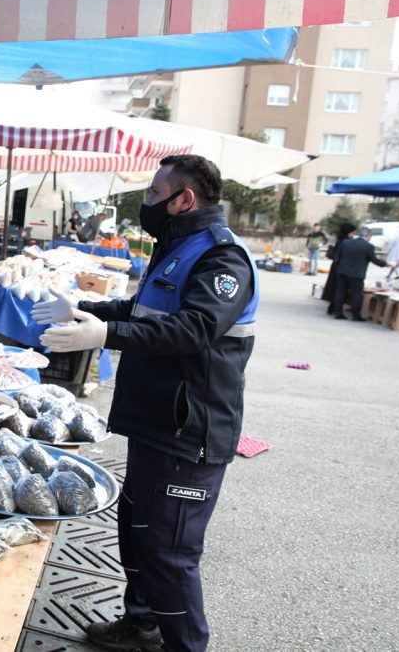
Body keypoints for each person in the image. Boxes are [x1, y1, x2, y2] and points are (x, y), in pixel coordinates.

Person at [31, 155, 257, 652]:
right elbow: (143, 310)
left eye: (154, 193)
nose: (146, 202)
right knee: (137, 533)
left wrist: (107, 334)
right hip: (155, 421)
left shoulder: (222, 258)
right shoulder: (176, 247)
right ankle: (141, 625)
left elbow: (196, 327)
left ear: (185, 200)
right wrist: (85, 310)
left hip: (189, 427)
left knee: (170, 554)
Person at [332, 226, 389, 320]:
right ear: (368, 235)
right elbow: (374, 260)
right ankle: (355, 315)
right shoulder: (368, 246)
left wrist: (338, 269)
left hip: (342, 272)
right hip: (356, 275)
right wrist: (385, 264)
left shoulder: (346, 243)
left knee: (340, 293)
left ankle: (338, 313)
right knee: (357, 295)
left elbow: (337, 258)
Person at [323, 222, 357, 314]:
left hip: (336, 267)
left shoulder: (340, 240)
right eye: (352, 233)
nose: (353, 235)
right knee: (340, 288)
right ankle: (335, 308)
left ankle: (332, 307)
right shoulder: (345, 242)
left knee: (335, 287)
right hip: (341, 268)